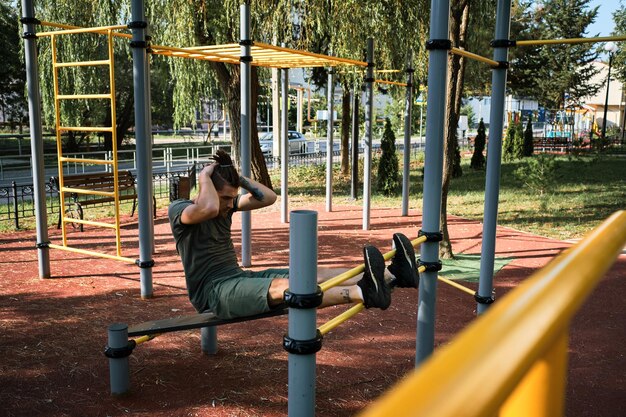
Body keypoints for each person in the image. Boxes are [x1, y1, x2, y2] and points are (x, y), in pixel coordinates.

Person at [168, 150, 420, 319]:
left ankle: (392, 274)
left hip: (236, 278)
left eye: (230, 199)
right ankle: (362, 293)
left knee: (311, 273)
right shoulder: (181, 211)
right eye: (224, 198)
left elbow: (268, 197)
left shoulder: (223, 208)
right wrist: (204, 177)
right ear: (207, 190)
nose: (227, 205)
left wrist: (238, 178)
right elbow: (208, 207)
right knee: (289, 286)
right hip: (213, 294)